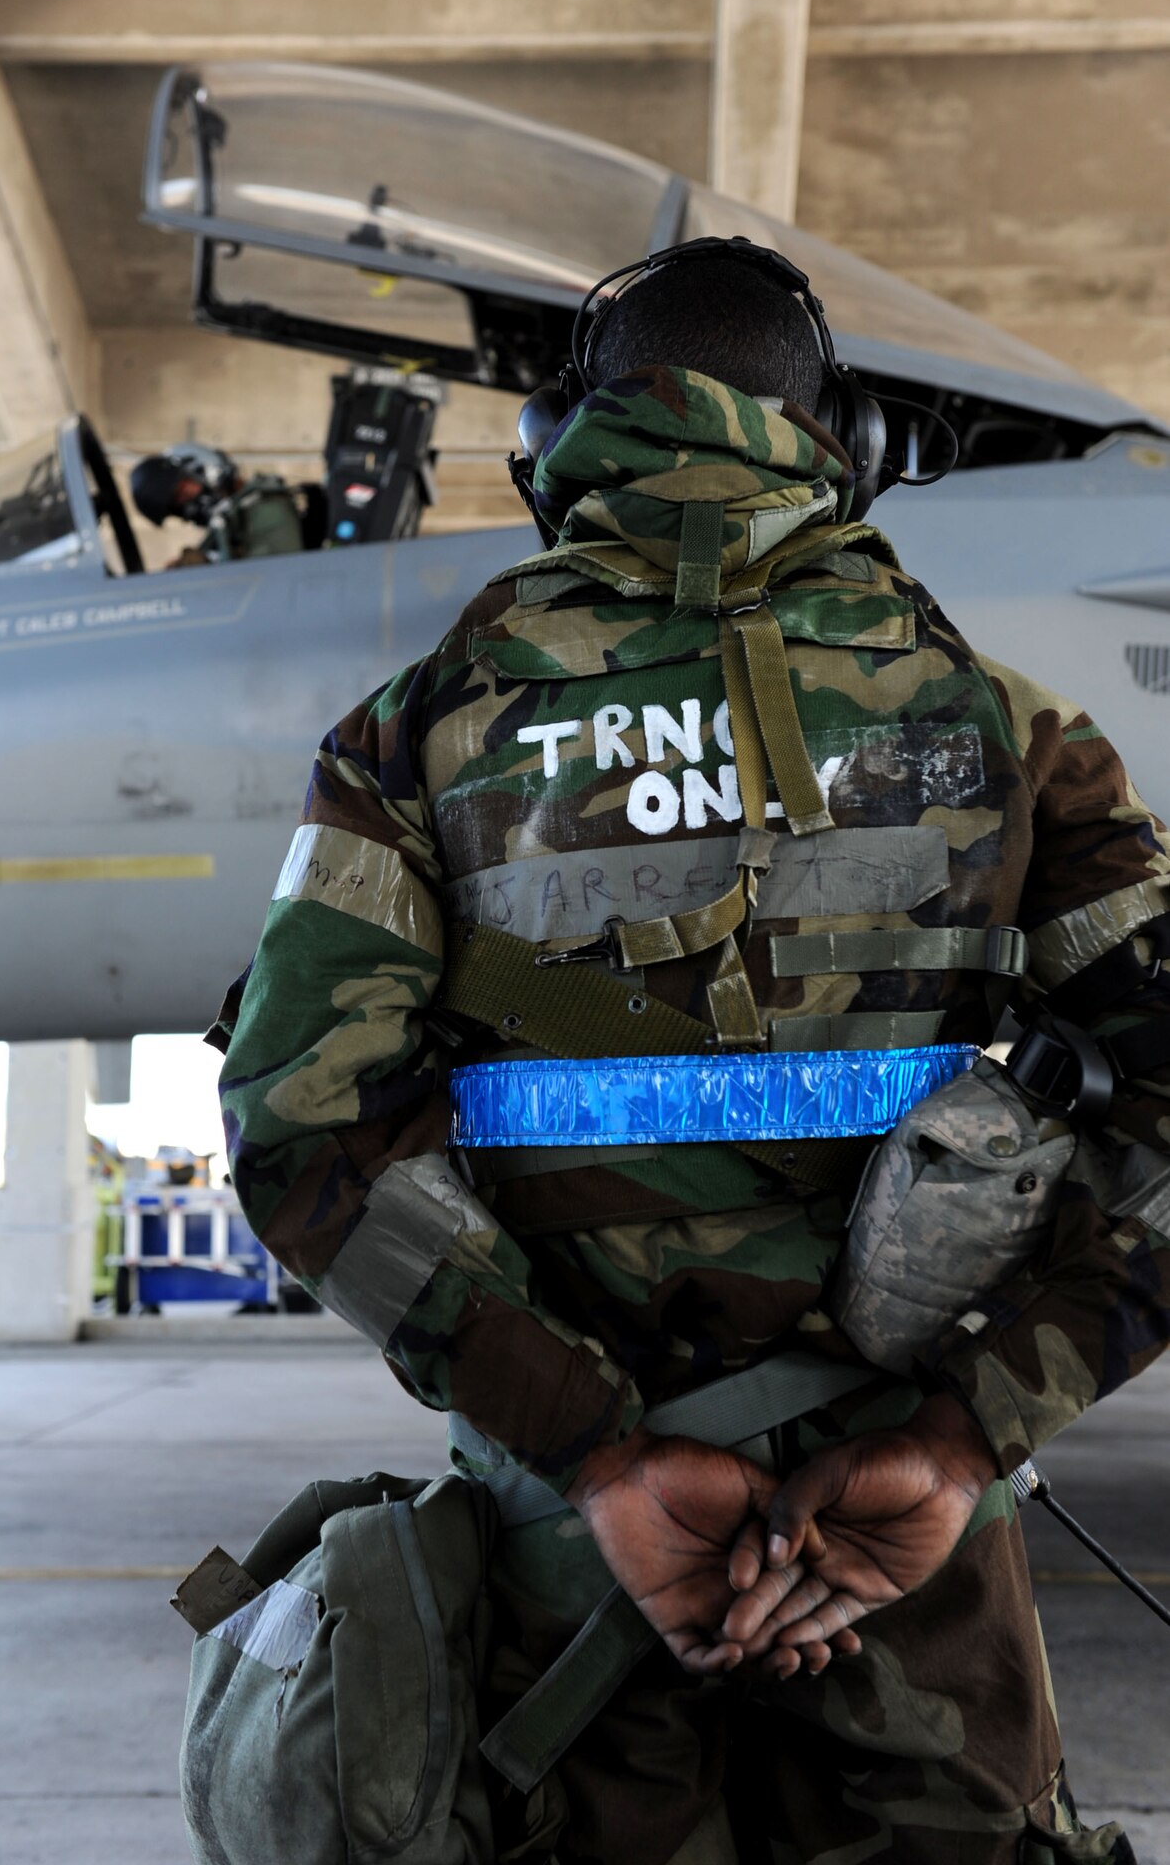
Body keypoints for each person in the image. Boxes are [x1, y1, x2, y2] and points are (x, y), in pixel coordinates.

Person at [210, 239, 1170, 1863]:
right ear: (841, 445)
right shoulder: (1011, 735)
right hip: (914, 1571)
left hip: (574, 1579)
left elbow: (299, 1125)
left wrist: (593, 1451)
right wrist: (957, 1437)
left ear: (550, 440)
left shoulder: (419, 732)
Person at [130, 446, 310, 563]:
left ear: (203, 469)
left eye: (183, 490)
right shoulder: (229, 525)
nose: (189, 506)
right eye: (178, 506)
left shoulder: (267, 506)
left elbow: (273, 579)